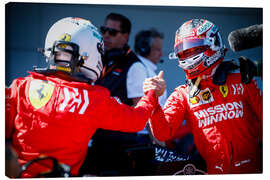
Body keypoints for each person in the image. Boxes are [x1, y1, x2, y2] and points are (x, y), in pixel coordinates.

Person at [5, 17, 166, 178]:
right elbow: (137, 120)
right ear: (89, 54)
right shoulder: (94, 99)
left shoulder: (20, 87)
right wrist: (152, 93)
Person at [143, 19, 262, 174]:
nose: (186, 56)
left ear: (213, 43)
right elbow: (162, 133)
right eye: (182, 52)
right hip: (214, 172)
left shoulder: (243, 78)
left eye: (192, 50)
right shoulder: (183, 94)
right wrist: (154, 100)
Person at [133, 28, 167, 107]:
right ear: (144, 49)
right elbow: (138, 106)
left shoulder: (145, 68)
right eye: (158, 50)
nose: (161, 54)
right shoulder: (138, 68)